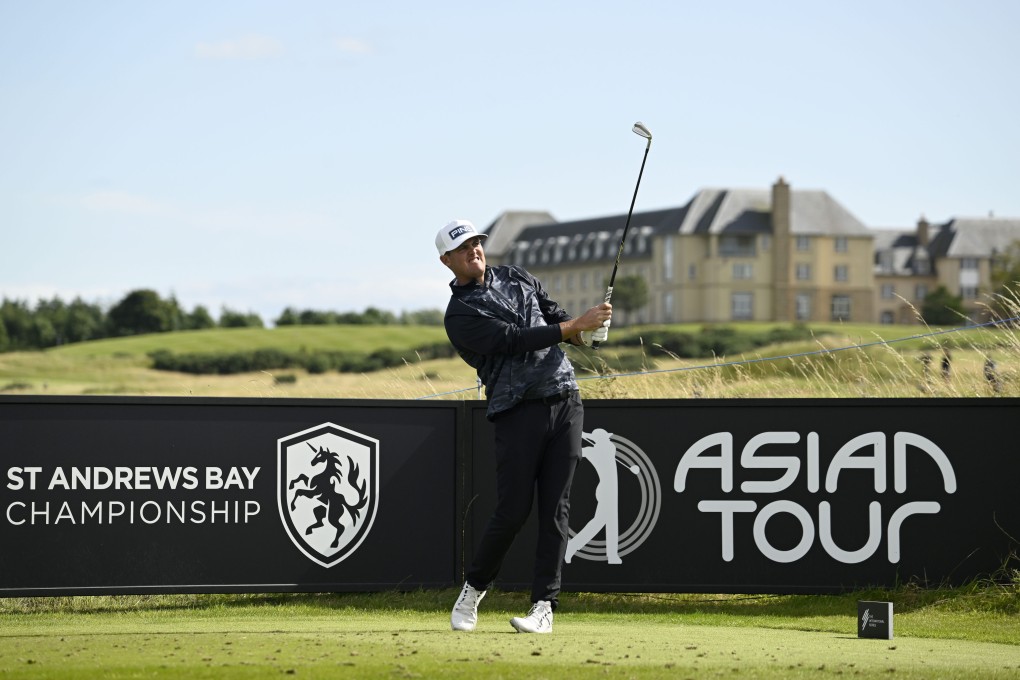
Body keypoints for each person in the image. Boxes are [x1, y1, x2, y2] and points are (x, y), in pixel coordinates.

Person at [436, 219, 612, 634]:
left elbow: (556, 319)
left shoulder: (517, 276)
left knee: (557, 510)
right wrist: (575, 326)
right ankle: (474, 589)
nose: (474, 251)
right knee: (513, 510)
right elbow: (515, 340)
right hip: (516, 410)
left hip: (565, 400)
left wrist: (588, 333)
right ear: (447, 261)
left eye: (477, 243)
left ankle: (544, 606)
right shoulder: (460, 315)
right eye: (463, 248)